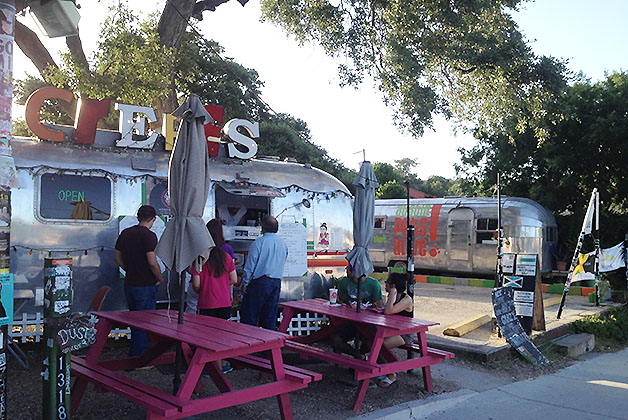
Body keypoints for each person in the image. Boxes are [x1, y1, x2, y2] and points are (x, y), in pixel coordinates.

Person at [114, 205, 164, 358]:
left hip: (130, 283)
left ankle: (136, 354)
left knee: (135, 320)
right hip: (146, 285)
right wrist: (159, 277)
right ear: (154, 219)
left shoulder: (125, 233)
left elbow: (117, 257)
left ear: (138, 217)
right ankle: (138, 358)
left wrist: (129, 269)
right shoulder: (150, 236)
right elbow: (151, 261)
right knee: (144, 322)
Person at [191, 219, 238, 374]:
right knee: (221, 336)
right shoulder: (226, 257)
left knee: (206, 337)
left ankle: (212, 367)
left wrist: (203, 290)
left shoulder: (199, 258)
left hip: (206, 303)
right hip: (224, 302)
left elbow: (196, 285)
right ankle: (221, 364)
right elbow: (234, 279)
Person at [240, 216, 287, 330]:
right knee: (269, 317)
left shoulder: (259, 242)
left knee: (250, 316)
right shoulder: (283, 244)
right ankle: (268, 346)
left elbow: (250, 264)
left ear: (263, 228)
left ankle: (249, 344)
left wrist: (245, 282)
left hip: (260, 282)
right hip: (276, 282)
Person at [329, 264, 383, 358]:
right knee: (335, 339)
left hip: (368, 322)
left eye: (349, 269)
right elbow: (341, 300)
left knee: (371, 342)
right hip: (349, 320)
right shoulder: (344, 282)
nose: (347, 270)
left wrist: (369, 306)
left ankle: (369, 362)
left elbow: (379, 305)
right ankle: (358, 356)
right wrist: (338, 301)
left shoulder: (374, 284)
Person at [377, 272, 414, 387]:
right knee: (371, 341)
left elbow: (388, 311)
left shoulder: (406, 299)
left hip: (404, 334)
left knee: (379, 345)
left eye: (387, 283)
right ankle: (384, 370)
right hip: (392, 331)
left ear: (393, 286)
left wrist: (392, 293)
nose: (385, 285)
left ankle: (391, 373)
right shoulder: (392, 297)